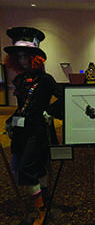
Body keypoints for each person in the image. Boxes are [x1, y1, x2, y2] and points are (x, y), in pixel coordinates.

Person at [3, 26, 64, 225]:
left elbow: (64, 98)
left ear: (35, 58)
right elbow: (23, 107)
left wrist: (51, 112)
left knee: (27, 167)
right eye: (19, 56)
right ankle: (43, 202)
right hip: (21, 130)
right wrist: (10, 120)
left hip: (38, 130)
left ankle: (39, 209)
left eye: (26, 56)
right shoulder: (19, 80)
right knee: (34, 168)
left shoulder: (46, 80)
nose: (22, 60)